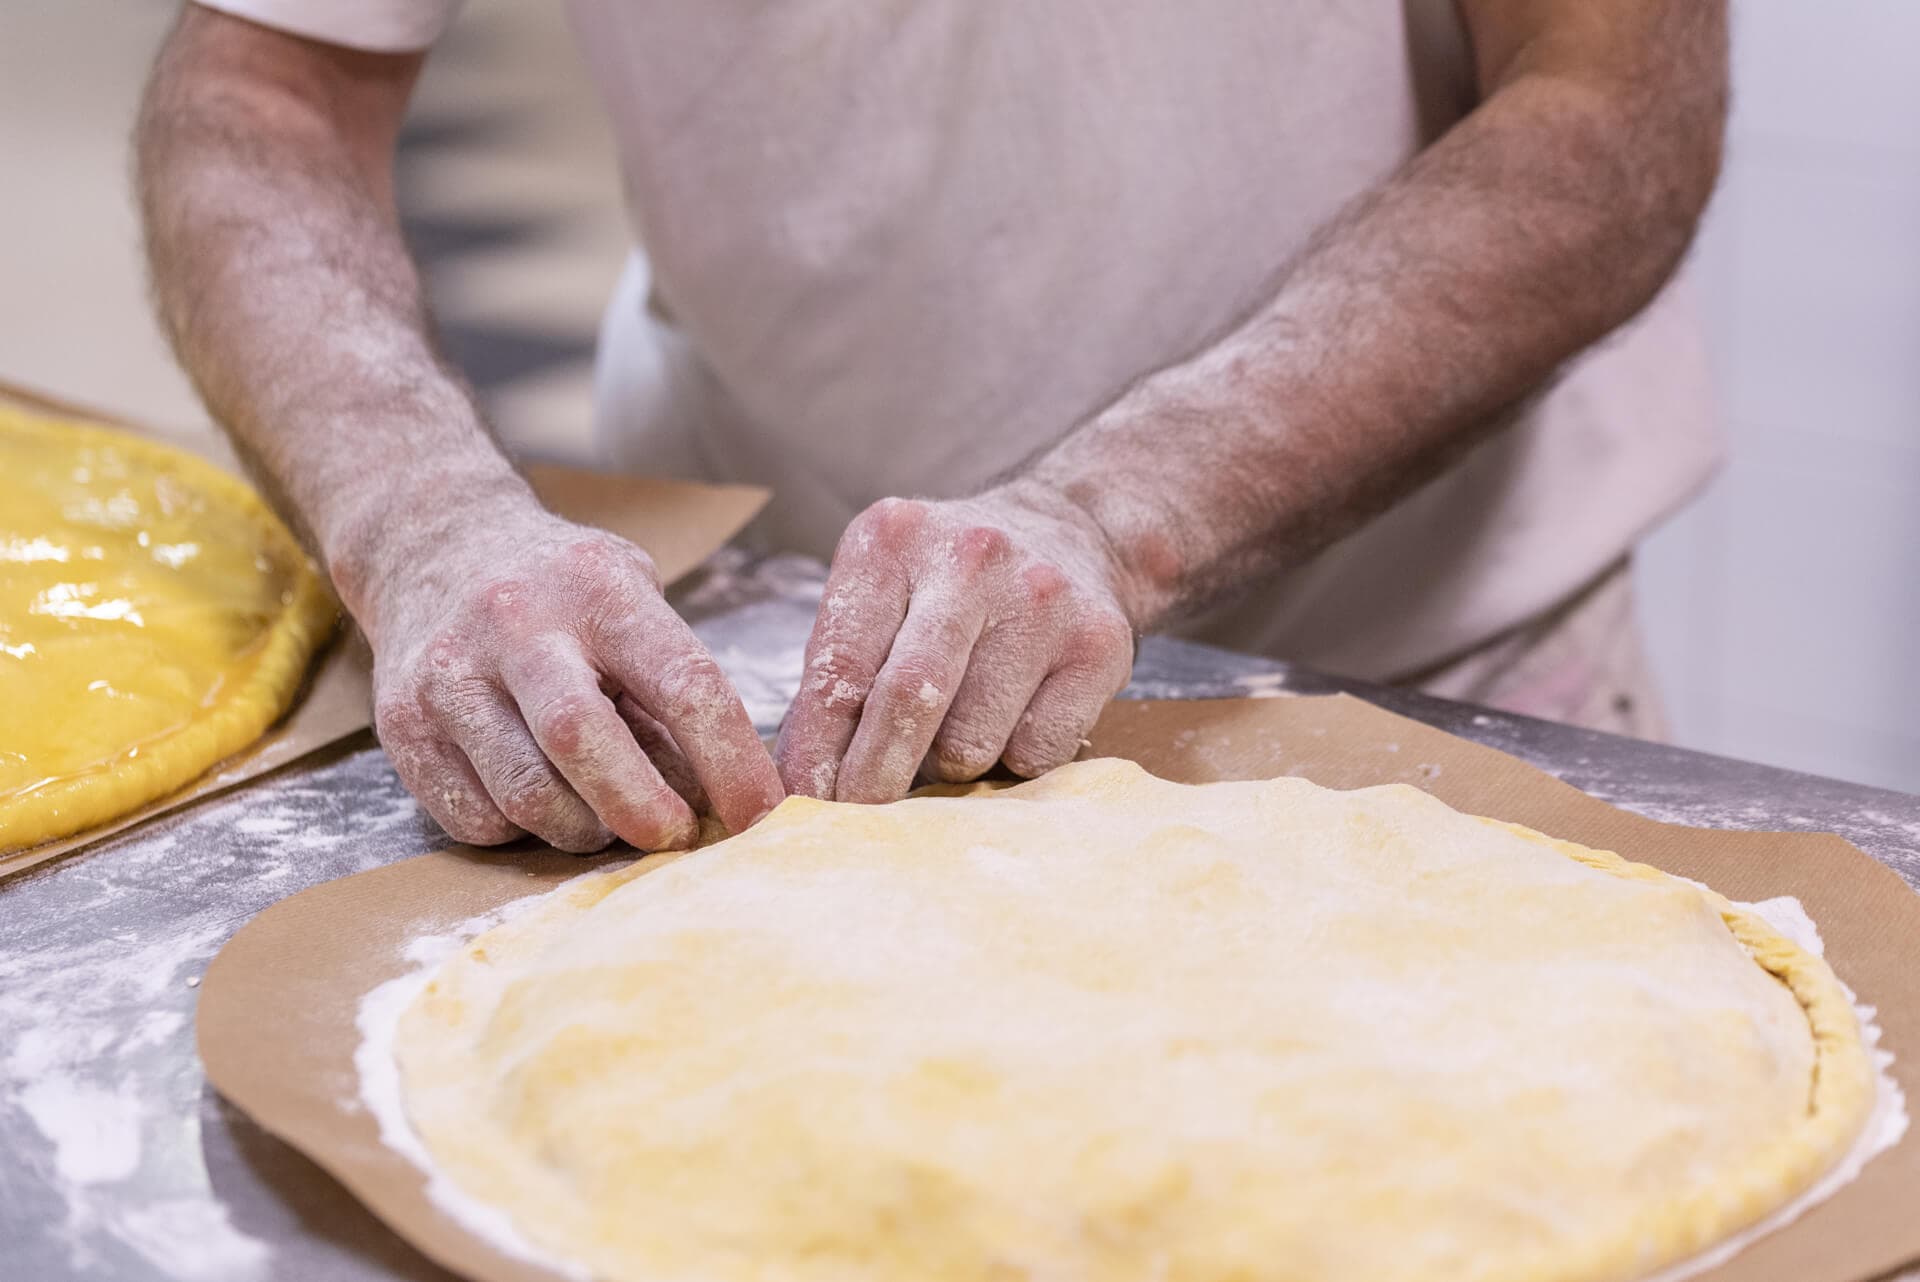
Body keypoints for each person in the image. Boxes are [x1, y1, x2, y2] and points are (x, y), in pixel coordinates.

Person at [136, 1, 1727, 853]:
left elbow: (1602, 114)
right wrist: (422, 516)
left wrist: (1119, 512)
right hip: (754, 698)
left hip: (1429, 654)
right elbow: (263, 93)